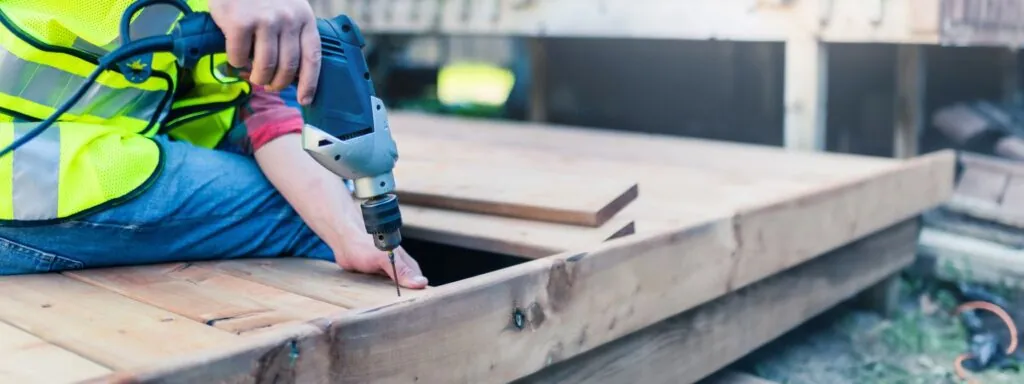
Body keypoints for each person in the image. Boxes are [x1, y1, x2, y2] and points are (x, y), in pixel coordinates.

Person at [0, 0, 429, 290]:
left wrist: (347, 233)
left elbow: (261, 107)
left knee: (333, 213)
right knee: (296, 214)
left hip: (44, 166)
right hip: (21, 175)